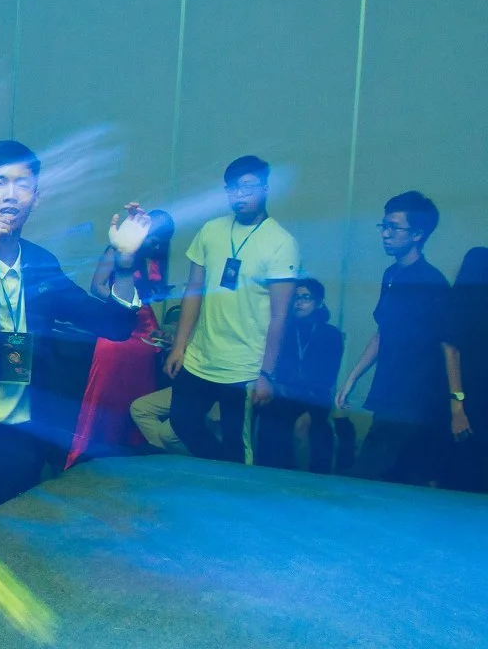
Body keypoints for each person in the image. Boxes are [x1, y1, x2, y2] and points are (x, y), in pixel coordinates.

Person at [0, 141, 146, 516]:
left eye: (23, 184)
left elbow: (115, 326)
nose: (11, 195)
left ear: (35, 197)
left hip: (26, 436)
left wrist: (124, 263)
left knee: (13, 539)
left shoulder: (43, 264)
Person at [165, 156, 300, 465]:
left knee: (237, 448)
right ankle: (217, 473)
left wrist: (267, 373)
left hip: (244, 368)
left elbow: (281, 315)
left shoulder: (281, 243)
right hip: (200, 357)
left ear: (266, 189)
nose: (240, 195)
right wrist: (179, 347)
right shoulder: (211, 230)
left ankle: (230, 499)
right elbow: (193, 291)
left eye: (249, 187)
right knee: (181, 421)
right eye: (233, 189)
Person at [338, 192, 451, 486]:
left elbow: (449, 345)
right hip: (389, 390)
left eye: (393, 227)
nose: (385, 234)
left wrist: (457, 402)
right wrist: (352, 378)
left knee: (369, 473)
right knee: (393, 477)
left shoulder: (431, 282)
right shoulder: (391, 274)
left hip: (416, 396)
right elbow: (383, 332)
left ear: (417, 234)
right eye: (383, 226)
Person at [66, 210, 176, 468]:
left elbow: (153, 295)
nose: (158, 245)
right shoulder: (118, 249)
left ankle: (130, 453)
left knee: (138, 399)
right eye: (155, 239)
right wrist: (124, 301)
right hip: (118, 333)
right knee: (105, 397)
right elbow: (97, 286)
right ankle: (91, 452)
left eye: (164, 241)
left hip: (147, 336)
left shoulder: (156, 258)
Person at [255, 278, 344, 472]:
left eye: (306, 298)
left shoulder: (331, 334)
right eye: (296, 297)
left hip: (314, 396)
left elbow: (327, 376)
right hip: (285, 394)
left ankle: (303, 479)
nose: (299, 302)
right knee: (266, 414)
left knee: (302, 426)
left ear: (319, 303)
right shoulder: (284, 329)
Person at [444, 247, 487, 492]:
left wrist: (457, 404)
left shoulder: (456, 301)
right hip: (479, 394)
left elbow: (451, 352)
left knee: (461, 468)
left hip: (464, 391)